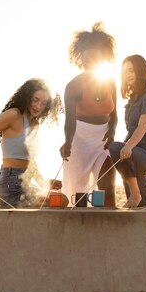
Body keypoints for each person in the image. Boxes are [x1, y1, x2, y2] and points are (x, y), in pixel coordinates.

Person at [0, 78, 64, 208]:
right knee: (60, 200)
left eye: (44, 103)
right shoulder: (13, 115)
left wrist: (43, 183)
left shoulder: (34, 124)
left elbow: (30, 161)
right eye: (35, 100)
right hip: (10, 185)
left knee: (60, 198)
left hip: (25, 183)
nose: (38, 106)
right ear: (27, 97)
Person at [59, 22, 117, 207]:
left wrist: (112, 132)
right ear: (81, 57)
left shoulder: (109, 82)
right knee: (80, 194)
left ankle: (109, 225)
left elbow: (114, 115)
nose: (90, 59)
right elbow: (69, 121)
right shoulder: (73, 86)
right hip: (79, 139)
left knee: (107, 184)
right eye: (86, 55)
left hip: (103, 139)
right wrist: (68, 141)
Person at [109, 55, 146, 208]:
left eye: (131, 70)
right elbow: (131, 131)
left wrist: (127, 147)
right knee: (143, 206)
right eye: (124, 72)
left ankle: (135, 193)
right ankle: (139, 197)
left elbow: (142, 127)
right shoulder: (132, 100)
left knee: (116, 147)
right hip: (134, 154)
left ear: (141, 71)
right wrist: (127, 147)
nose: (127, 75)